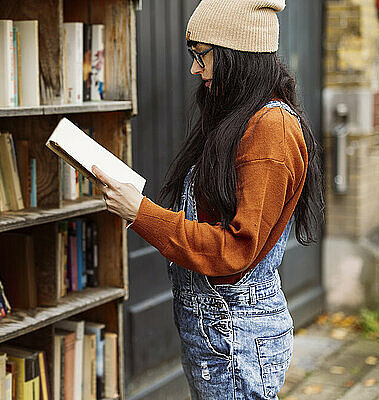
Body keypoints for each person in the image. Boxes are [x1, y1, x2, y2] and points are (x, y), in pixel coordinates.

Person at [91, 0, 325, 398]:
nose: (194, 69)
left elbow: (235, 252)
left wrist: (141, 213)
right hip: (218, 337)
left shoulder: (271, 128)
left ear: (237, 54)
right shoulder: (241, 119)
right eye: (193, 55)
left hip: (236, 342)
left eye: (202, 55)